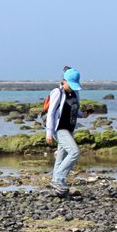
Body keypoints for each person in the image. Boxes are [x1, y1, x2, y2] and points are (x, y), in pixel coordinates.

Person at [45, 67, 82, 196]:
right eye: (70, 85)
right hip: (59, 129)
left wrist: (84, 114)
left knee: (61, 157)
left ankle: (58, 188)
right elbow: (51, 113)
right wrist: (49, 133)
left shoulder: (75, 93)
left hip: (70, 128)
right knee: (74, 152)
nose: (72, 87)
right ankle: (59, 179)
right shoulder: (57, 92)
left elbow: (75, 110)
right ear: (64, 81)